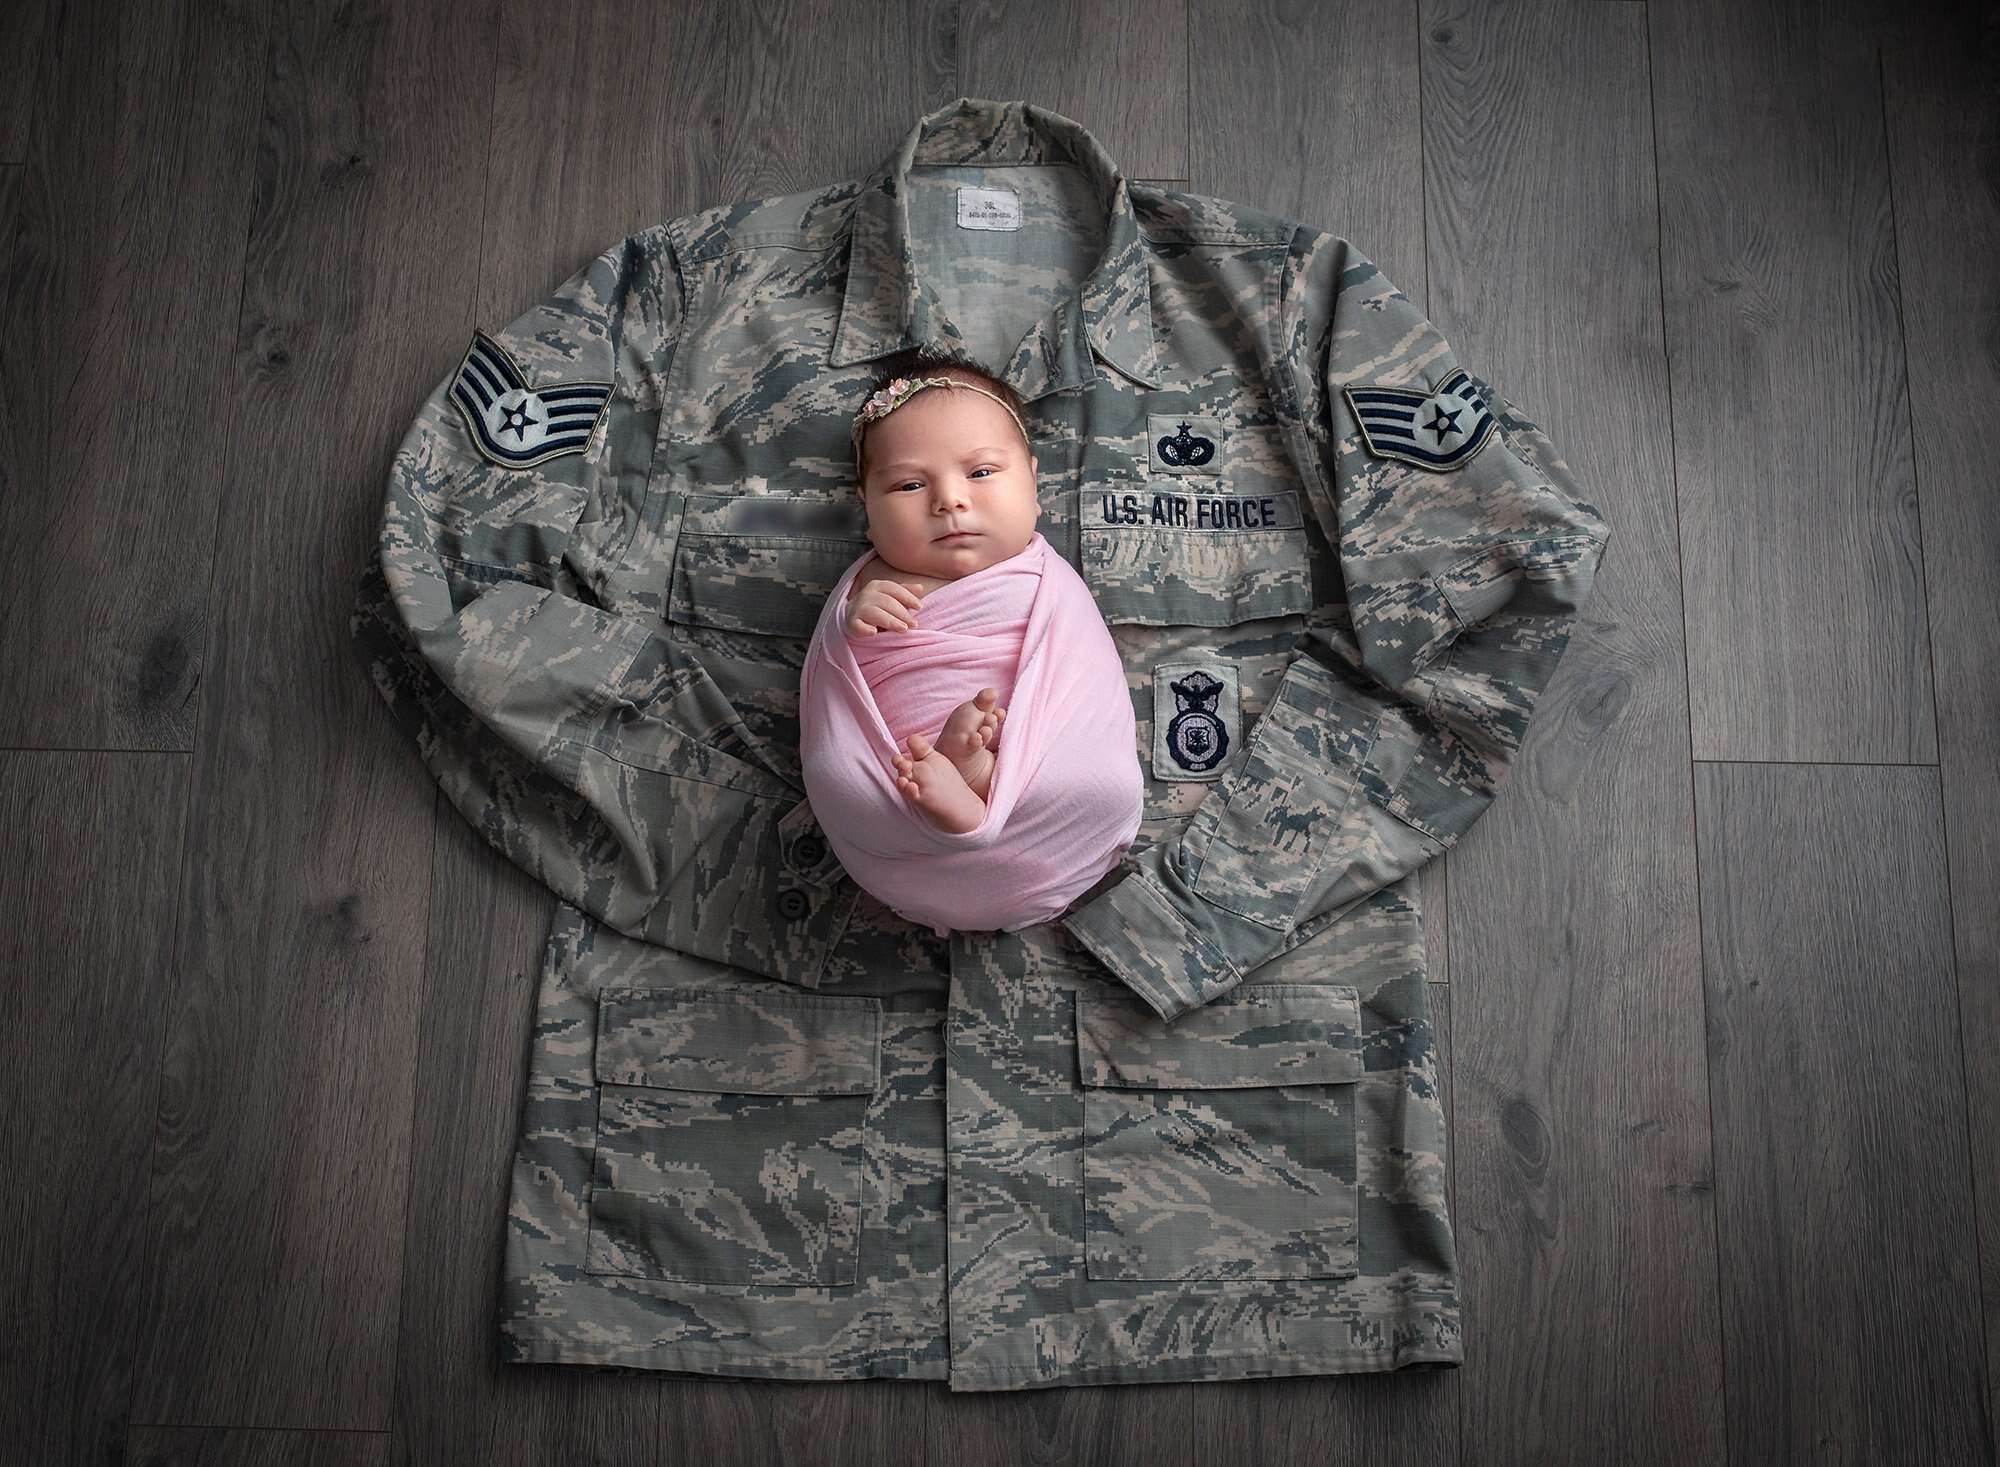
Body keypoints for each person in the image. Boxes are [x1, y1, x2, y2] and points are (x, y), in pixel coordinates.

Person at [796, 359, 1144, 934]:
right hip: (897, 772)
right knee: (846, 782)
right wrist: (853, 624)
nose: (949, 500)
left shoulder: (1043, 580)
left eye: (981, 472)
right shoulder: (870, 584)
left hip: (1041, 776)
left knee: (1093, 781)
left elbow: (1078, 668)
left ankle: (979, 777)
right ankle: (961, 782)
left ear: (1032, 482)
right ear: (867, 507)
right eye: (909, 485)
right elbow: (838, 672)